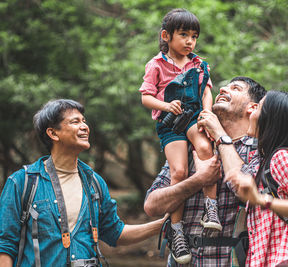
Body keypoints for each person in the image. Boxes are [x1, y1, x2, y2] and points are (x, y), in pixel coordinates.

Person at [0, 99, 166, 267]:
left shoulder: (94, 182)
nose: (85, 127)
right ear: (53, 133)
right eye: (75, 122)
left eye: (84, 121)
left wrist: (161, 225)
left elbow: (114, 233)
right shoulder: (22, 182)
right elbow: (5, 246)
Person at [199, 90, 288, 266]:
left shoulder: (282, 158)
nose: (251, 113)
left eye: (257, 107)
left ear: (270, 118)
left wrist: (261, 200)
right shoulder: (265, 161)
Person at [144, 77, 267, 266]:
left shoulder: (258, 150)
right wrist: (198, 180)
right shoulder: (190, 149)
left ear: (252, 107)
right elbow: (152, 205)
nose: (223, 89)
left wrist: (220, 135)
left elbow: (251, 194)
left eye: (235, 88)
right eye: (224, 86)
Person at [139, 8, 215, 264]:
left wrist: (206, 112)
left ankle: (210, 208)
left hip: (193, 118)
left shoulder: (199, 63)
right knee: (179, 172)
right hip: (170, 124)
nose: (189, 41)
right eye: (183, 35)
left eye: (194, 36)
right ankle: (176, 228)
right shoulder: (156, 64)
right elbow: (146, 97)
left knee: (205, 149)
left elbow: (206, 91)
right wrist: (165, 106)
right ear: (166, 36)